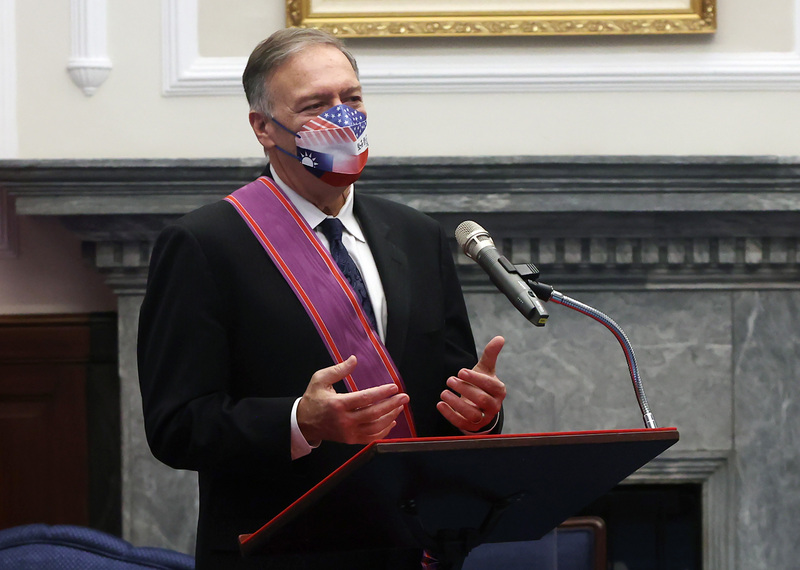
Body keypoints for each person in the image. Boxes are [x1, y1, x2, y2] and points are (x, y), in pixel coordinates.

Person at [137, 27, 506, 569]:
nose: (342, 118)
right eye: (315, 105)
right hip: (280, 551)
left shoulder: (417, 236)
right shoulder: (203, 245)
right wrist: (299, 422)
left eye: (351, 99)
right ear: (264, 127)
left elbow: (444, 395)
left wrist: (480, 418)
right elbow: (176, 425)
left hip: (410, 548)